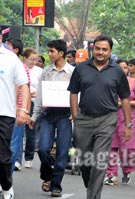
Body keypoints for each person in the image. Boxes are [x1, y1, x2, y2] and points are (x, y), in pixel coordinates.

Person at [67, 35, 131, 199]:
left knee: (100, 159)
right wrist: (75, 116)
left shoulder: (117, 71)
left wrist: (128, 125)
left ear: (110, 51)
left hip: (107, 119)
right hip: (84, 119)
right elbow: (73, 92)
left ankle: (93, 195)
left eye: (104, 49)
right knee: (82, 157)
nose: (100, 52)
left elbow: (125, 98)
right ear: (92, 49)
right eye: (98, 49)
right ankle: (91, 184)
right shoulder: (81, 68)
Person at [30, 39, 74, 197]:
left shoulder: (72, 72)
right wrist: (34, 117)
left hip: (65, 116)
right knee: (42, 149)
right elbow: (41, 96)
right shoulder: (46, 71)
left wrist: (75, 114)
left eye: (51, 51)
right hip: (48, 114)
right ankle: (47, 176)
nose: (49, 54)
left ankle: (56, 186)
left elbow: (77, 94)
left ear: (61, 53)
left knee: (63, 151)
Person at [0, 27, 30, 199]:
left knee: (3, 158)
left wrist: (23, 110)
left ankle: (6, 186)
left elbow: (24, 84)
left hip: (4, 114)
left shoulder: (10, 58)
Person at [104, 59, 135, 185]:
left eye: (125, 67)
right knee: (110, 147)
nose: (123, 70)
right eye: (119, 67)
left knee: (127, 148)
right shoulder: (107, 81)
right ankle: (111, 174)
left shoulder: (133, 82)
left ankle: (126, 171)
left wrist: (126, 103)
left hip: (128, 117)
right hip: (110, 117)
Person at [5, 38, 32, 173]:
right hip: (5, 110)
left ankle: (7, 177)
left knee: (13, 144)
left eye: (7, 46)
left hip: (17, 111)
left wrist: (25, 111)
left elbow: (25, 87)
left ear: (15, 50)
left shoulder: (22, 67)